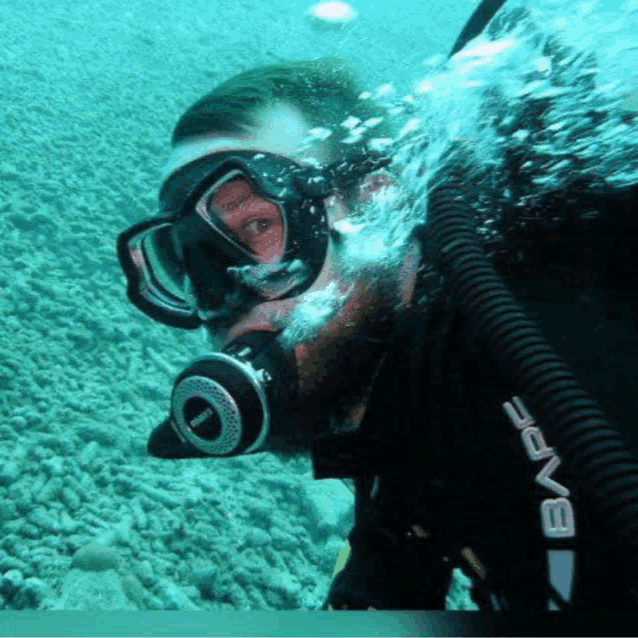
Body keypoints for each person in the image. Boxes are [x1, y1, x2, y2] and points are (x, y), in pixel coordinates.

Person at [117, 6, 638, 612]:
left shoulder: (564, 351)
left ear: (375, 203)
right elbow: (394, 544)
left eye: (256, 225)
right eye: (192, 265)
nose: (229, 301)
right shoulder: (394, 382)